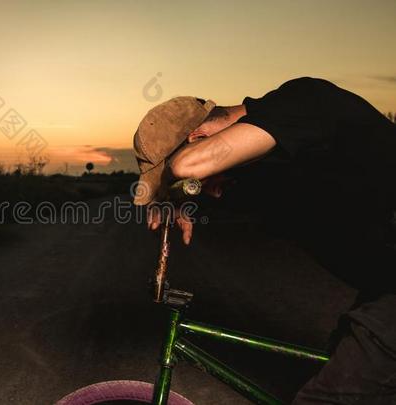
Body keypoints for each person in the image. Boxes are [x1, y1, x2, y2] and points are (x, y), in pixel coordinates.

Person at [132, 77, 396, 404]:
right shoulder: (262, 167)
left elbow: (190, 163)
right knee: (343, 360)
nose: (209, 191)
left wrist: (180, 177)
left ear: (199, 138)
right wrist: (172, 198)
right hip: (384, 287)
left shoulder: (301, 101)